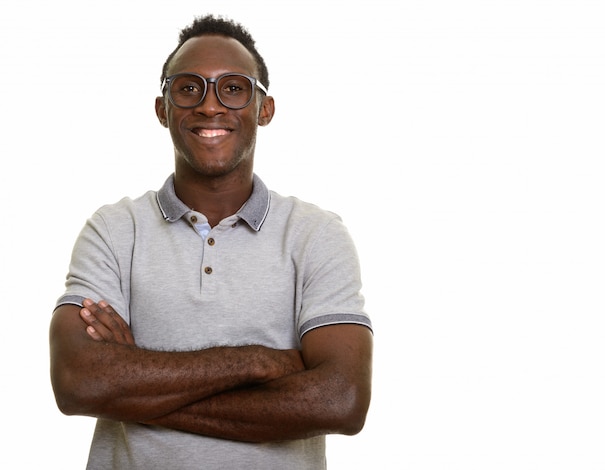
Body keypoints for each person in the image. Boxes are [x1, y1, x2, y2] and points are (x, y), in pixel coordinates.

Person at [49, 13, 373, 470]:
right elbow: (78, 382)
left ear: (265, 108)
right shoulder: (114, 229)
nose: (209, 106)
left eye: (233, 88)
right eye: (189, 88)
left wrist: (132, 386)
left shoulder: (316, 235)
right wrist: (259, 363)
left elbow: (340, 401)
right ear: (163, 108)